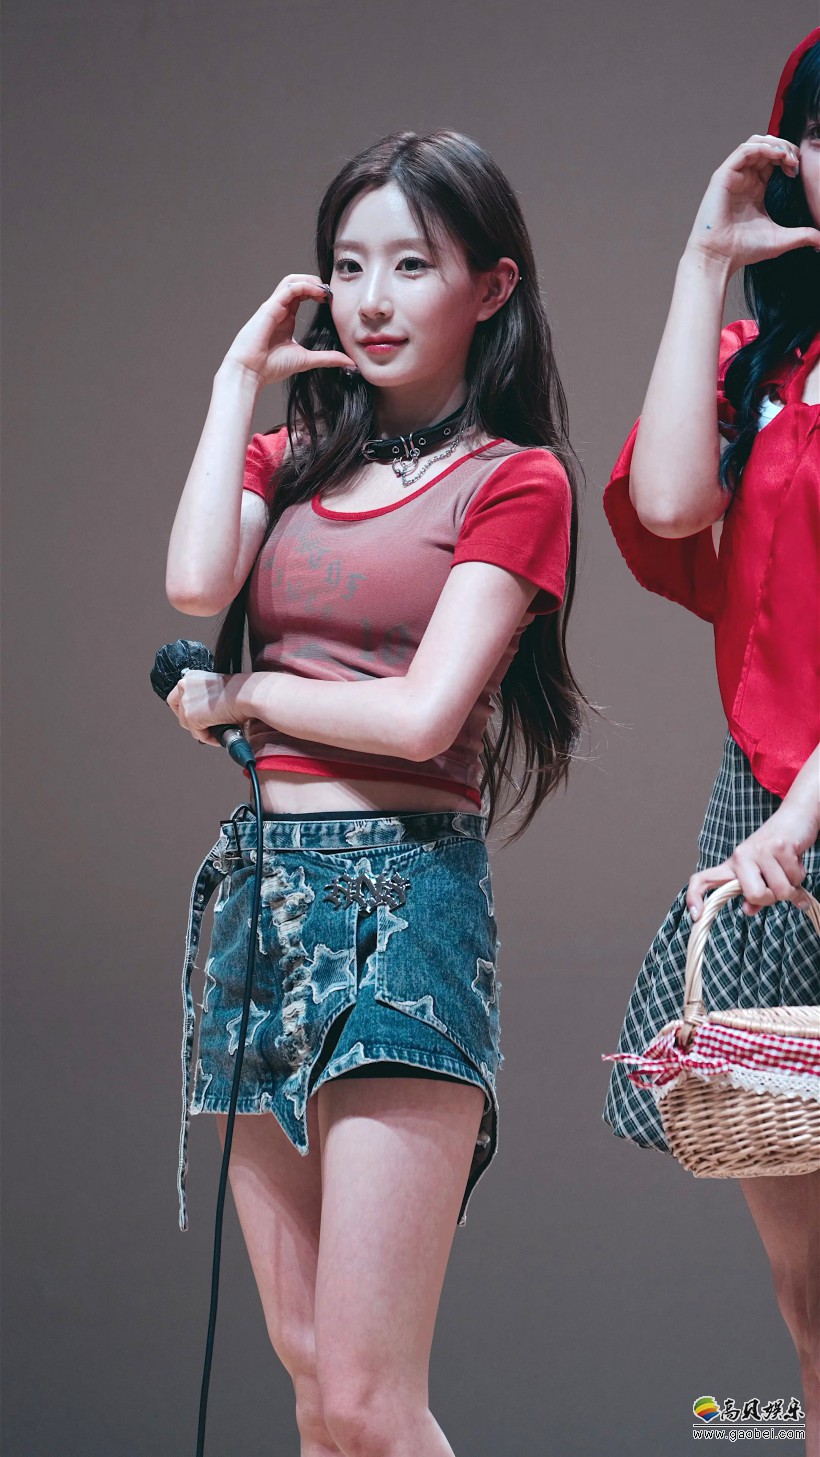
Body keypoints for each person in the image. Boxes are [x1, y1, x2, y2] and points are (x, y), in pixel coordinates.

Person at [165, 129, 584, 1457]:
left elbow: (420, 717)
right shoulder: (289, 455)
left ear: (492, 287)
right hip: (261, 900)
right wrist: (235, 382)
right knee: (307, 1376)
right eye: (349, 266)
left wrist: (244, 695)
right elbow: (194, 580)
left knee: (365, 1394)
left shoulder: (516, 479)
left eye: (413, 264)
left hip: (405, 903)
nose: (373, 299)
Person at [601, 29, 820, 1450]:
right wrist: (703, 261)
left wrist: (805, 813)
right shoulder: (762, 362)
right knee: (809, 1297)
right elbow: (672, 504)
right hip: (764, 826)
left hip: (790, 824)